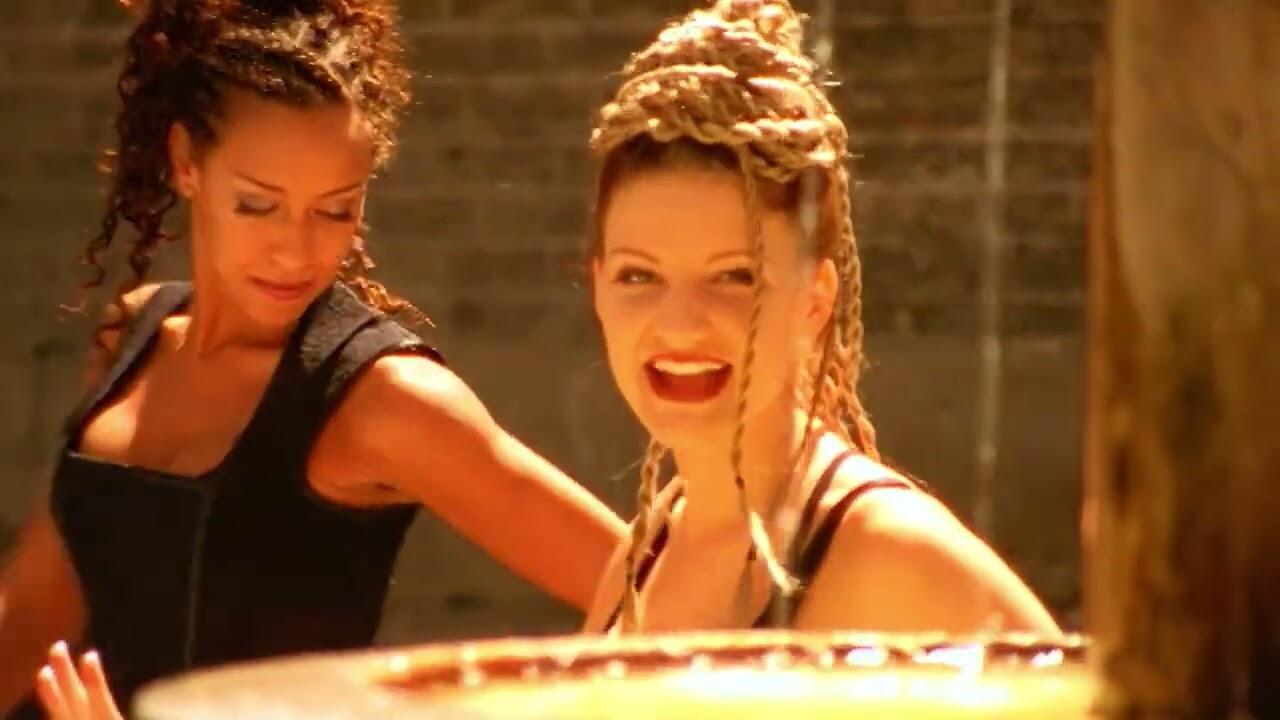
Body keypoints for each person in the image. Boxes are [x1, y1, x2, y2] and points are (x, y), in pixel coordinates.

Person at [0, 1, 625, 717]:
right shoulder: (133, 335)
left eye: (335, 210)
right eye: (257, 205)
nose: (296, 252)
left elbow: (651, 589)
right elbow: (33, 615)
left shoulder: (385, 398)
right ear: (185, 163)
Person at [580, 0, 1061, 636]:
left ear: (815, 300)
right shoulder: (651, 545)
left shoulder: (893, 553)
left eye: (735, 276)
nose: (679, 324)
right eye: (638, 276)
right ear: (598, 287)